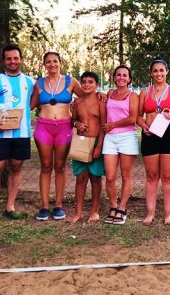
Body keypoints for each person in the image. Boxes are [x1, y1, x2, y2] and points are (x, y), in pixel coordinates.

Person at [0, 44, 34, 223]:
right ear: (3, 61)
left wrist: (23, 113)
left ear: (21, 60)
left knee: (16, 167)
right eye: (9, 58)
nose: (12, 61)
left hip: (21, 134)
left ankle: (10, 206)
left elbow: (35, 100)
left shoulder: (29, 82)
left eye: (15, 58)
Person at [32, 51, 84, 221]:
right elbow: (30, 105)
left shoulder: (70, 81)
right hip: (43, 127)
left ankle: (59, 205)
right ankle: (44, 206)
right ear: (44, 65)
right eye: (48, 62)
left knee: (60, 166)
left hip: (64, 127)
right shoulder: (39, 83)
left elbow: (86, 96)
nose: (52, 64)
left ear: (60, 63)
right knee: (46, 165)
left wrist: (102, 96)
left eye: (55, 61)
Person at [137, 59, 170, 225]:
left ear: (167, 71)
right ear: (151, 73)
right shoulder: (144, 92)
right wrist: (143, 126)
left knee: (167, 176)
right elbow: (137, 116)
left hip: (169, 134)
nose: (158, 74)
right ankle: (150, 213)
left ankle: (168, 214)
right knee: (151, 176)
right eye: (155, 71)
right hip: (150, 135)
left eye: (161, 70)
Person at [102, 65, 139, 225]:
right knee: (110, 177)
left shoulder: (133, 96)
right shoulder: (109, 93)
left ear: (129, 79)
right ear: (114, 77)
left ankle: (122, 208)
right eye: (118, 75)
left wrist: (113, 125)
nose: (121, 77)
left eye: (125, 75)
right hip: (110, 138)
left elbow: (133, 118)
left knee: (126, 175)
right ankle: (113, 206)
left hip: (127, 137)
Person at [69, 71, 106, 224]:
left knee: (95, 178)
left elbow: (104, 126)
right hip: (81, 143)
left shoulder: (101, 102)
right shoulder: (77, 103)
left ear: (96, 85)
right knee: (81, 178)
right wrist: (76, 123)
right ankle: (78, 212)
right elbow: (72, 120)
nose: (86, 85)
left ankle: (95, 211)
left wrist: (99, 146)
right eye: (84, 82)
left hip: (96, 142)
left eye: (90, 82)